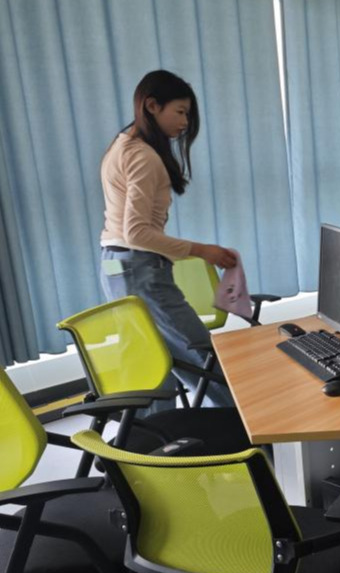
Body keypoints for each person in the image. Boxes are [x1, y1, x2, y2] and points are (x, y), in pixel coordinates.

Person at [99, 70, 238, 408]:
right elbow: (137, 232)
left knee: (151, 359)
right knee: (200, 355)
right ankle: (247, 427)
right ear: (152, 106)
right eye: (180, 112)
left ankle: (152, 434)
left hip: (115, 265)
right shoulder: (144, 157)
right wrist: (202, 250)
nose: (185, 123)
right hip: (139, 269)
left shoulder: (121, 145)